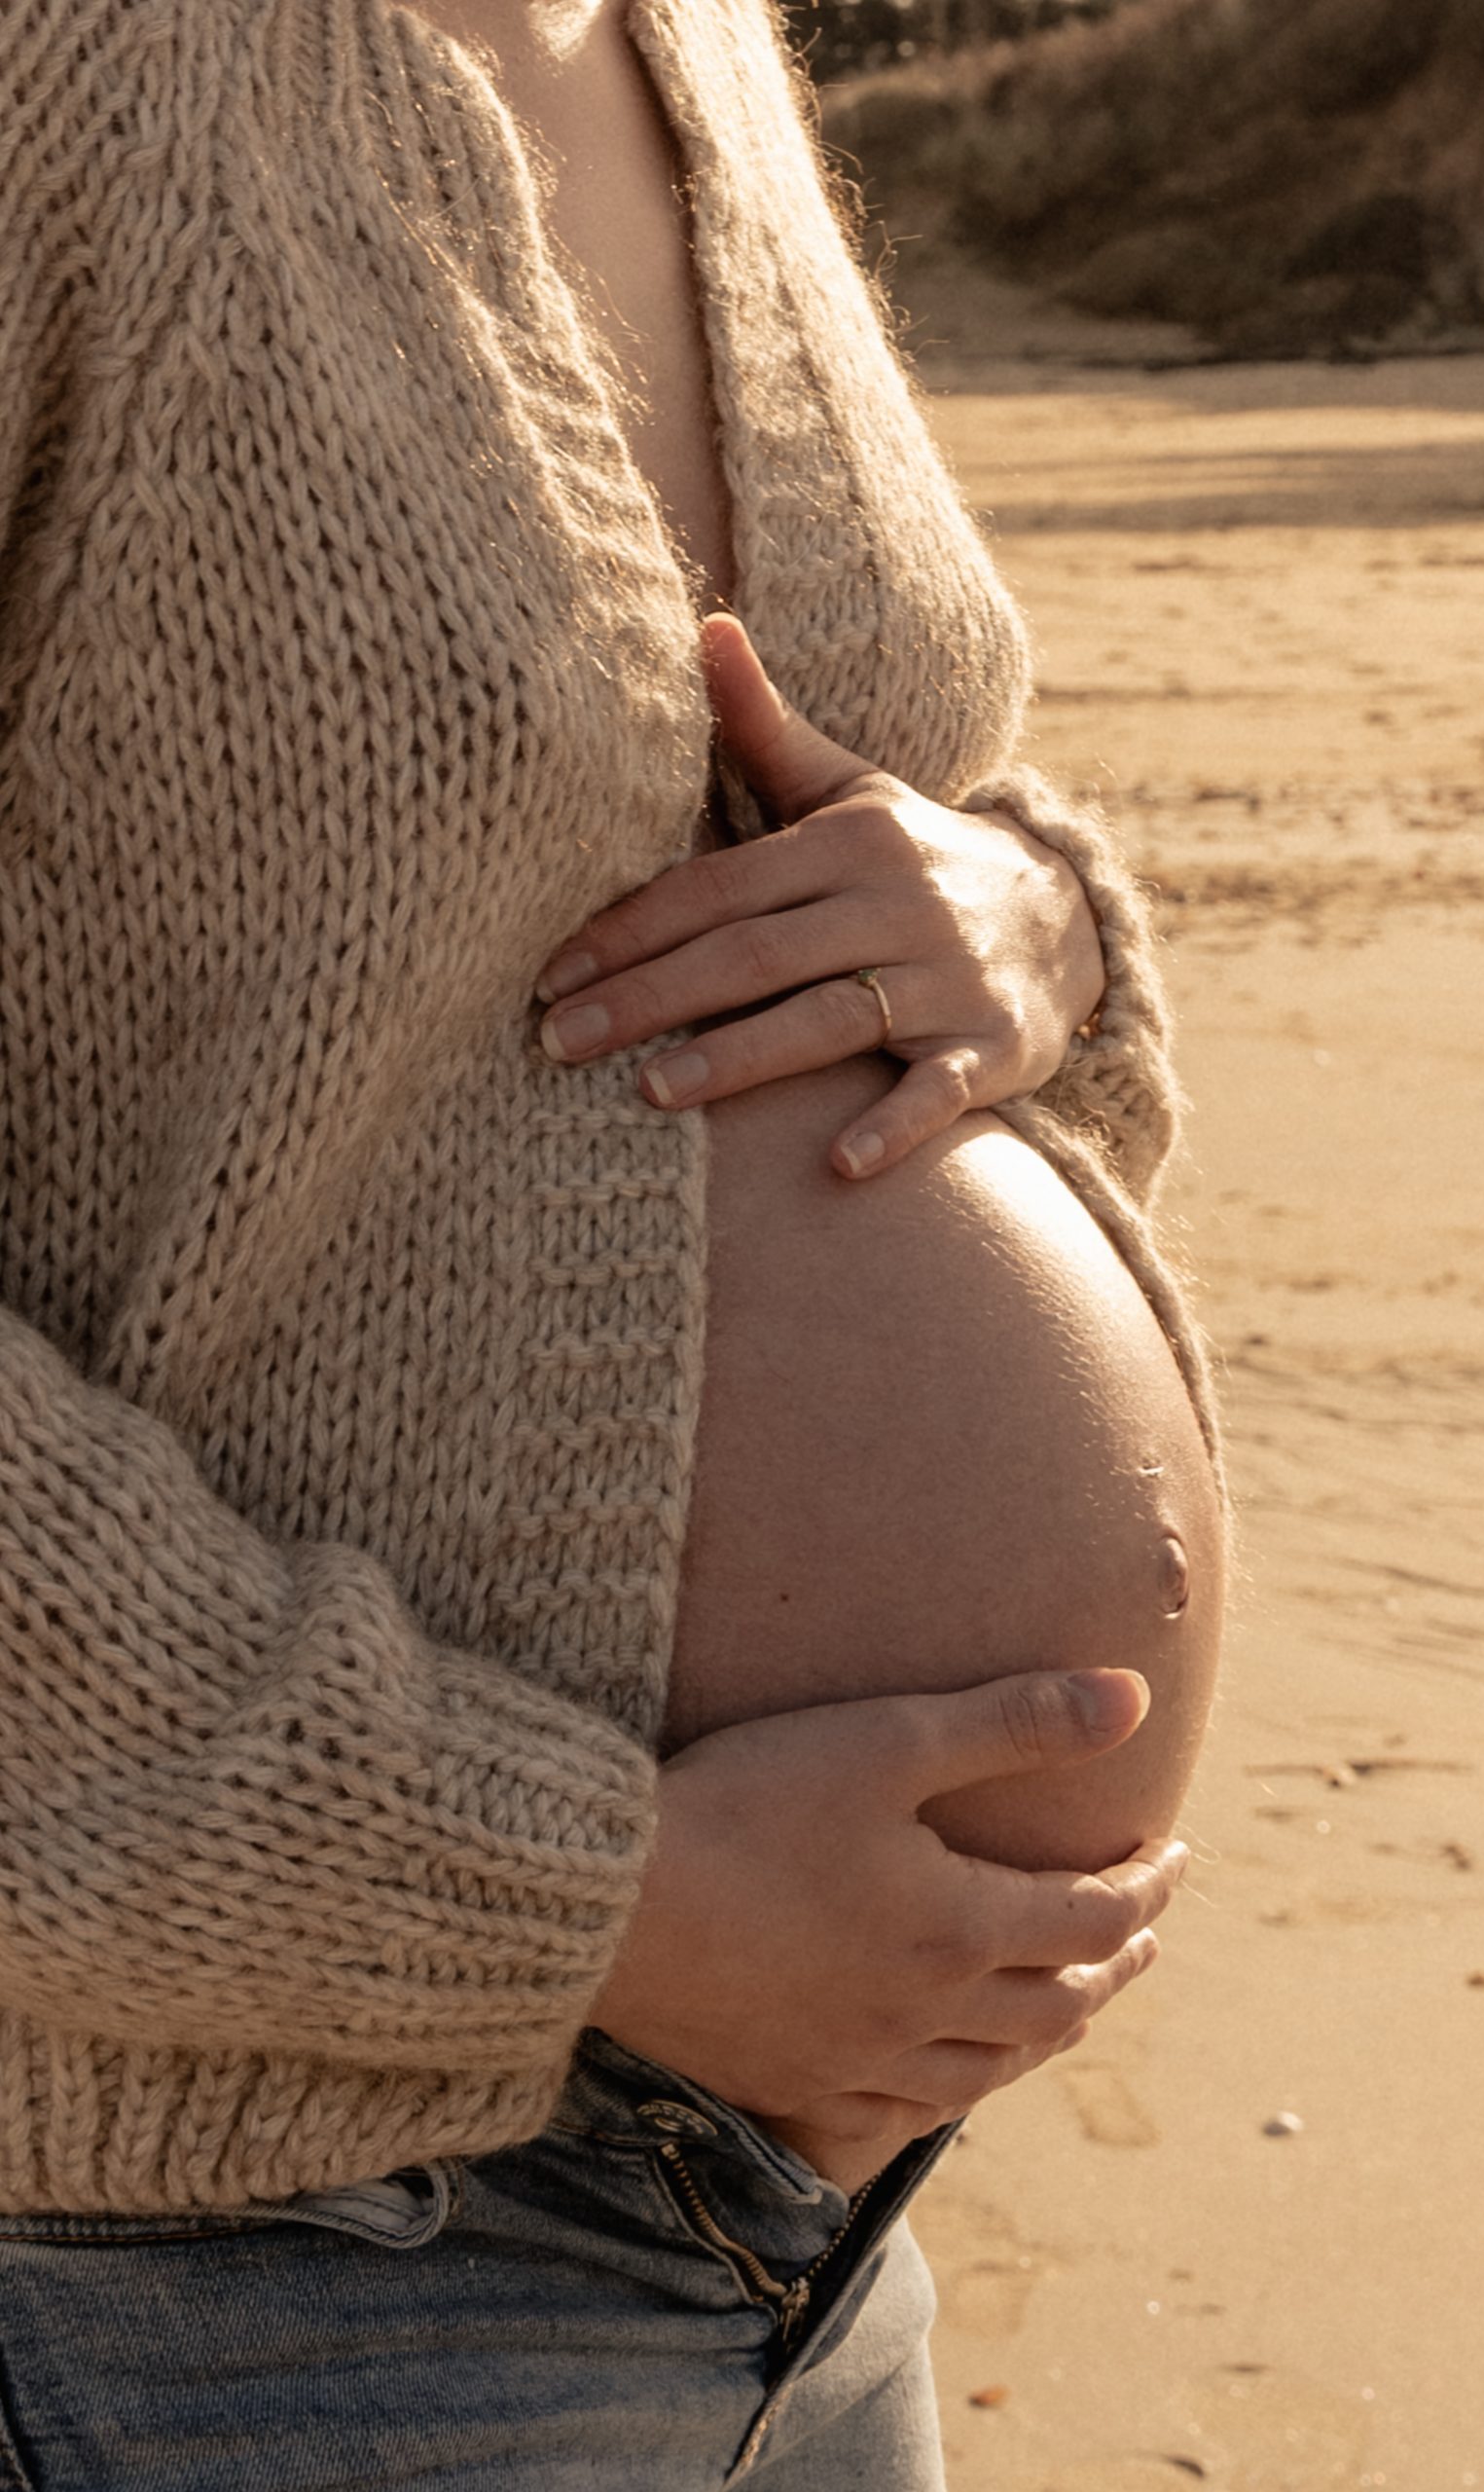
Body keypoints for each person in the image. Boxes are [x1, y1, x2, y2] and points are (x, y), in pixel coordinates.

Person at [0, 0, 1224, 2482]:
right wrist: (574, 1890)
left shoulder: (685, 31)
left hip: (794, 2219)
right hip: (257, 2259)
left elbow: (778, 796)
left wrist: (1025, 917)